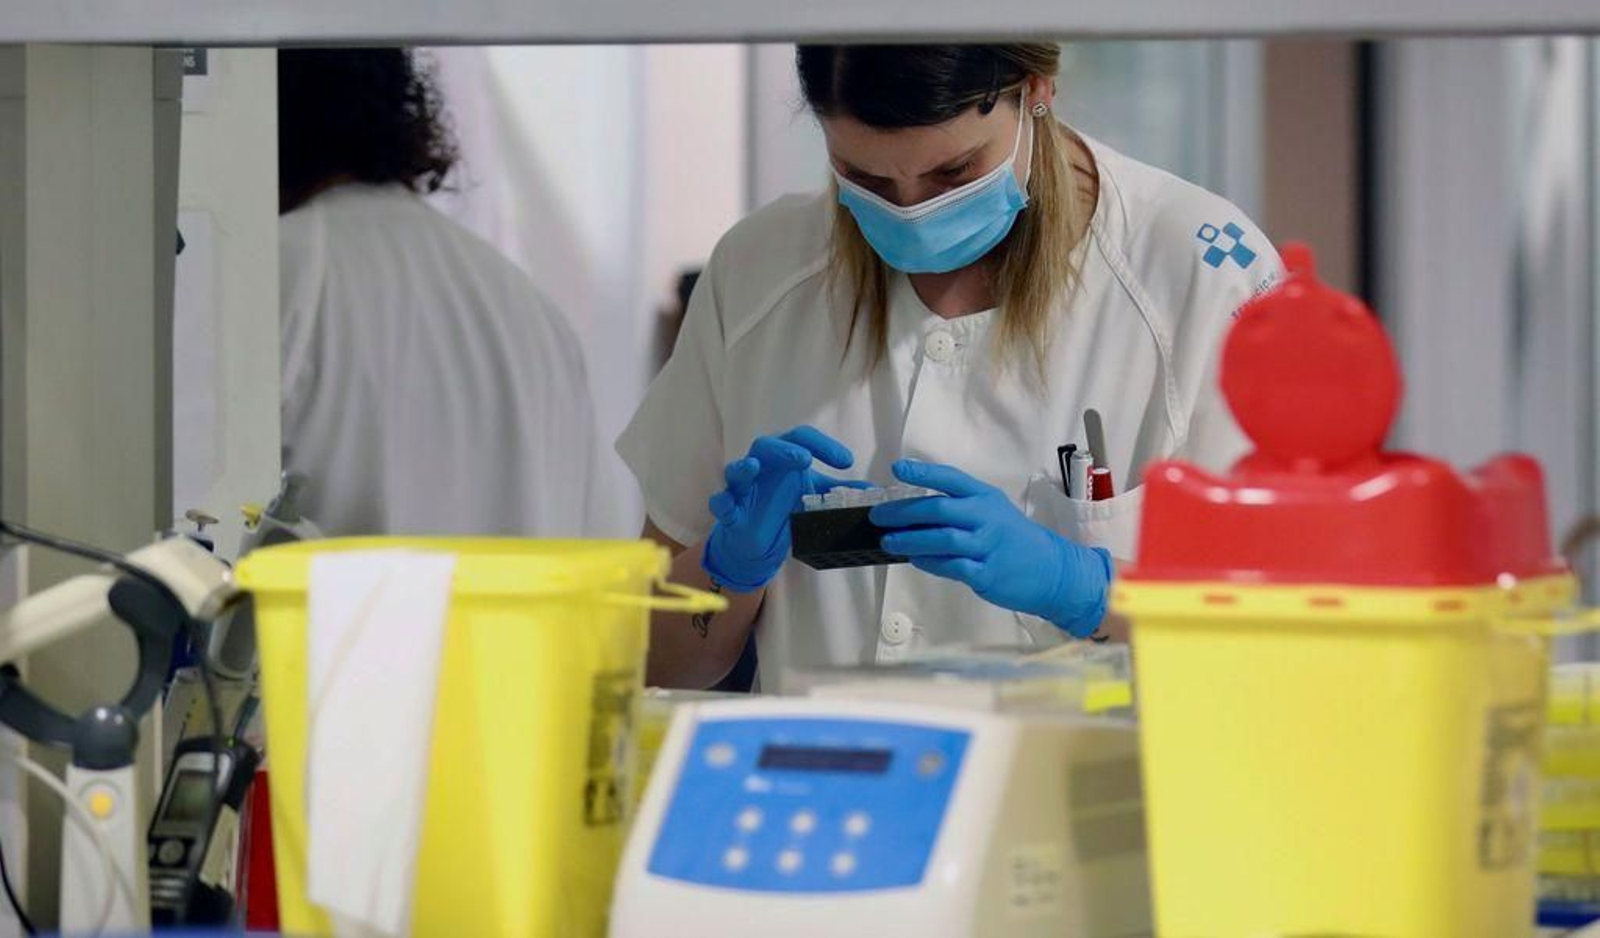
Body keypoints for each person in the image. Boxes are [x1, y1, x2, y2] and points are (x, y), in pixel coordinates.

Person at [619, 44, 1282, 690]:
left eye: (954, 173)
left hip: (1078, 792)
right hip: (826, 777)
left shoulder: (1202, 270)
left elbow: (1273, 647)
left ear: (1038, 92)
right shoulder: (758, 270)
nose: (911, 211)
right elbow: (655, 663)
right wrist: (724, 573)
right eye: (867, 179)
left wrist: (1078, 586)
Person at [277, 48, 614, 537]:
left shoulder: (284, 271)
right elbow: (598, 543)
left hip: (335, 616)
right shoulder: (532, 311)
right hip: (531, 615)